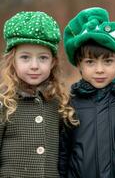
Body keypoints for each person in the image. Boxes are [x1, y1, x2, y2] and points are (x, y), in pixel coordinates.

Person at [58, 7, 115, 178]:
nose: (99, 70)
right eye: (90, 62)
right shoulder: (70, 105)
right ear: (79, 64)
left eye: (108, 61)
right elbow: (63, 154)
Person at [0, 11, 78, 177]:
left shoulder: (59, 102)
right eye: (25, 57)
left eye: (42, 58)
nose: (34, 65)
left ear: (53, 62)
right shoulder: (5, 102)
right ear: (12, 61)